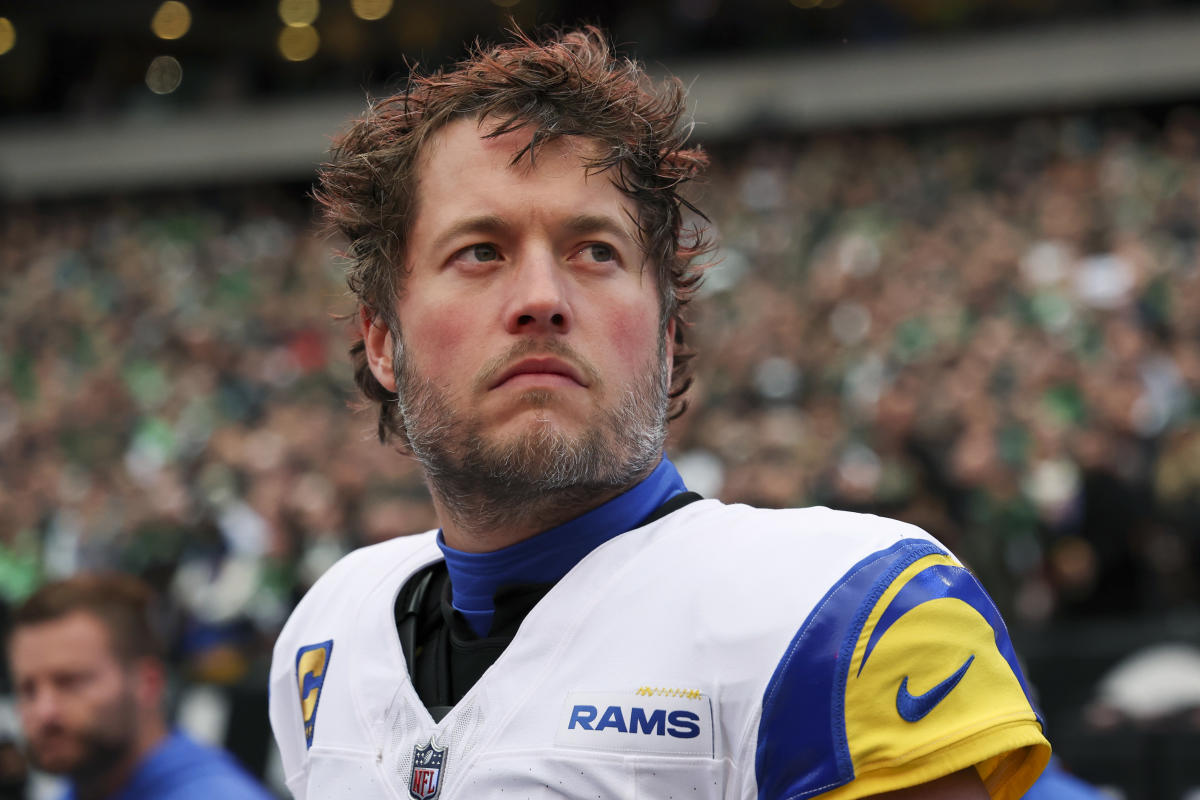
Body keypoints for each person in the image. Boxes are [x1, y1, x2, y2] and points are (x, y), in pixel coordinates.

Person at [268, 26, 1050, 799]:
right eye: (480, 251)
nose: (541, 298)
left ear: (667, 338)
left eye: (596, 251)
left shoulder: (839, 613)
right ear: (383, 341)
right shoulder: (328, 636)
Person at [7, 573, 275, 800]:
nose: (44, 711)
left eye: (70, 682)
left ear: (148, 682)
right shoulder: (87, 785)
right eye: (28, 689)